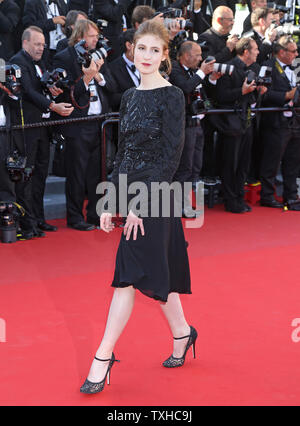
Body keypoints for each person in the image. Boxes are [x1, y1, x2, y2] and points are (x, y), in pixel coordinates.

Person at [80, 20, 197, 395]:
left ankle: (103, 356)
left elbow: (170, 159)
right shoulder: (129, 97)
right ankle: (183, 333)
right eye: (140, 48)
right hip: (130, 193)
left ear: (165, 56)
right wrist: (110, 202)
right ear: (132, 51)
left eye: (154, 50)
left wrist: (140, 206)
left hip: (157, 197)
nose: (146, 56)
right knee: (157, 273)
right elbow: (123, 156)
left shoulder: (172, 96)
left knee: (128, 275)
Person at [53, 19, 117, 230]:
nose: (96, 39)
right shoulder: (64, 58)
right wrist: (86, 79)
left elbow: (113, 87)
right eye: (92, 36)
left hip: (100, 124)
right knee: (77, 173)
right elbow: (66, 93)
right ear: (80, 36)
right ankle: (75, 217)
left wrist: (97, 75)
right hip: (78, 124)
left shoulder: (99, 56)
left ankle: (95, 215)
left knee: (97, 173)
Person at [10, 26, 74, 236]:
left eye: (43, 45)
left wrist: (52, 89)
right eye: (37, 44)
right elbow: (27, 91)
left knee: (40, 177)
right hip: (27, 129)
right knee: (27, 178)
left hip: (43, 129)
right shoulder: (18, 61)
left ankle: (38, 219)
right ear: (25, 43)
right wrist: (52, 106)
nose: (41, 48)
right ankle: (27, 223)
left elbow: (40, 86)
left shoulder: (39, 63)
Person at [215, 37, 267, 213]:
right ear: (246, 52)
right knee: (231, 163)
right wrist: (242, 91)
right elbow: (220, 96)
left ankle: (239, 196)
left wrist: (259, 92)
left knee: (244, 162)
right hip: (230, 123)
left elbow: (251, 98)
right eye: (255, 49)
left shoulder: (253, 69)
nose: (258, 52)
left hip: (246, 122)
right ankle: (230, 200)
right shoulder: (228, 68)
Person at [169, 41, 220, 216]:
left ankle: (186, 203)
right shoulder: (175, 69)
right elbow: (185, 87)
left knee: (195, 166)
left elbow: (203, 92)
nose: (200, 59)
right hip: (183, 126)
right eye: (197, 55)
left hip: (197, 124)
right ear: (186, 55)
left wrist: (211, 79)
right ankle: (176, 206)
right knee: (184, 167)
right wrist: (201, 73)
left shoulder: (193, 72)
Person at [260, 35, 300, 210]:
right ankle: (267, 196)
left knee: (293, 162)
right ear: (282, 52)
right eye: (293, 51)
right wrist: (285, 96)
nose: (296, 54)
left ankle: (291, 196)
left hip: (294, 122)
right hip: (275, 122)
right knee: (272, 162)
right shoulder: (267, 67)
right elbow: (263, 93)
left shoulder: (295, 68)